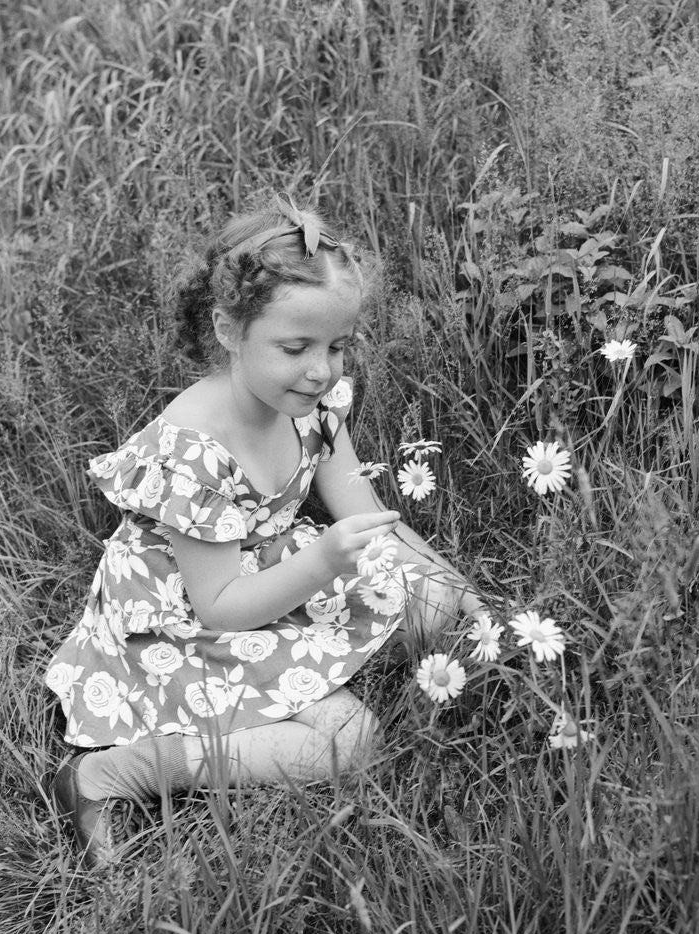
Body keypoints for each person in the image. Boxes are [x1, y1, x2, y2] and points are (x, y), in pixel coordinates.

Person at [45, 194, 486, 867]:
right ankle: (109, 774)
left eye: (337, 346)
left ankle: (412, 630)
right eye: (295, 347)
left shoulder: (310, 398)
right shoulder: (191, 450)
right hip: (187, 616)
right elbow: (221, 608)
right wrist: (323, 565)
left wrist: (455, 589)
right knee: (349, 743)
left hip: (268, 566)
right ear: (228, 330)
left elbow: (356, 504)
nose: (322, 368)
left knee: (435, 607)